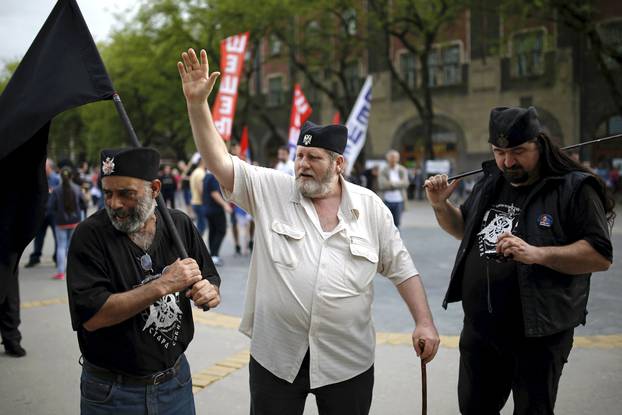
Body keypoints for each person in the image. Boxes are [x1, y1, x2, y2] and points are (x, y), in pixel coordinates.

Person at [178, 48, 440, 415]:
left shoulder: (371, 208)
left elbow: (402, 268)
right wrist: (196, 105)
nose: (302, 165)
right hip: (277, 359)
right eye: (300, 156)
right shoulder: (271, 189)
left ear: (338, 163)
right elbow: (219, 162)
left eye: (313, 158)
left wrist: (424, 322)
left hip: (346, 361)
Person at [424, 106, 614, 415]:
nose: (508, 162)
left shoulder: (574, 188)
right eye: (499, 152)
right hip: (480, 330)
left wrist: (537, 254)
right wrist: (439, 205)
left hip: (538, 334)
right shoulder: (490, 182)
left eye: (518, 151)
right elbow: (463, 230)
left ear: (539, 144)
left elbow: (600, 256)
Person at [66, 147, 221, 414]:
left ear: (155, 189)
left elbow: (208, 276)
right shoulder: (90, 235)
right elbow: (93, 317)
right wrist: (162, 284)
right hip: (112, 393)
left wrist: (210, 291)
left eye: (126, 193)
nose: (115, 204)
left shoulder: (180, 225)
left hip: (175, 383)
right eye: (108, 193)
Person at [47, 166, 86, 280]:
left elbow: (50, 207)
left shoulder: (56, 190)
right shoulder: (77, 189)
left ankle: (60, 272)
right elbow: (84, 204)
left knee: (61, 246)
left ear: (61, 176)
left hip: (60, 222)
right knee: (71, 247)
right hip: (75, 221)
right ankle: (72, 271)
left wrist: (56, 216)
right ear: (71, 176)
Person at [25, 158, 60, 268]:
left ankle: (57, 257)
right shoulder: (39, 178)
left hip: (54, 213)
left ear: (49, 167)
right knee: (39, 236)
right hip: (42, 212)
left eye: (44, 167)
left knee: (57, 236)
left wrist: (51, 191)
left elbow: (61, 193)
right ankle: (35, 257)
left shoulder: (56, 178)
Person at [203, 168, 232, 266]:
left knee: (213, 231)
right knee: (221, 230)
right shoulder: (213, 176)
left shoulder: (206, 176)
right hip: (216, 209)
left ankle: (212, 255)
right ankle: (214, 255)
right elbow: (214, 193)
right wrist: (225, 205)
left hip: (207, 208)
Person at [378, 149, 409, 228]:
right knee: (386, 223)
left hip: (399, 200)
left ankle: (397, 239)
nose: (393, 159)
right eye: (391, 157)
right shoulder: (383, 170)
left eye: (395, 157)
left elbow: (406, 183)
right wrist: (398, 184)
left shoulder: (402, 170)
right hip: (386, 200)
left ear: (398, 158)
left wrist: (392, 183)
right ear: (388, 158)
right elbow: (382, 184)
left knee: (397, 223)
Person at [190, 158, 207, 238]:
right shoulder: (201, 173)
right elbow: (201, 189)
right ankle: (197, 246)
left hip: (195, 201)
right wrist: (206, 201)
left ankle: (196, 244)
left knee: (201, 225)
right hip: (200, 202)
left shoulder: (195, 172)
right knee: (202, 226)